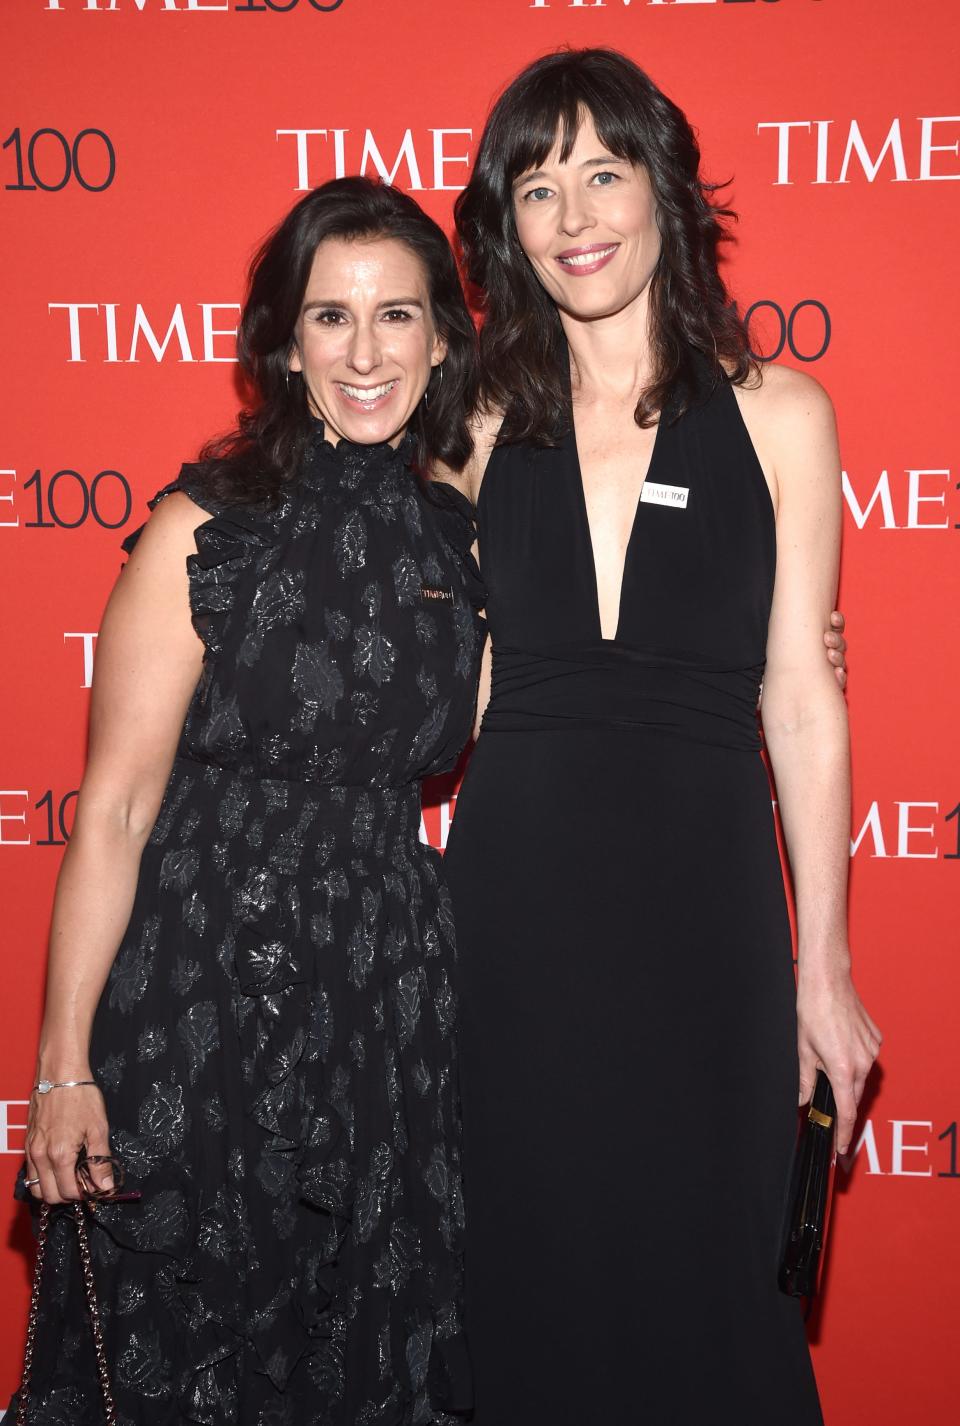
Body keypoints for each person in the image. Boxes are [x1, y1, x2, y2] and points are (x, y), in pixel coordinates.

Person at [438, 49, 878, 1424]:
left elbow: (801, 700)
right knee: (524, 1260)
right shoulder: (472, 425)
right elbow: (458, 688)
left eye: (601, 172)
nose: (572, 212)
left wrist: (824, 970)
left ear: (665, 191)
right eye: (536, 183)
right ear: (505, 227)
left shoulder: (783, 415)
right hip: (514, 910)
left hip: (709, 909)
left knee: (712, 1270)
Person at [13, 176, 483, 1426]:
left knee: (371, 1349)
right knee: (201, 1351)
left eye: (398, 316)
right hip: (205, 990)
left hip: (391, 997)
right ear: (284, 339)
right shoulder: (204, 529)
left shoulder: (465, 539)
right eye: (332, 317)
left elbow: (556, 707)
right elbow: (112, 809)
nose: (367, 352)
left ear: (444, 336)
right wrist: (63, 1065)